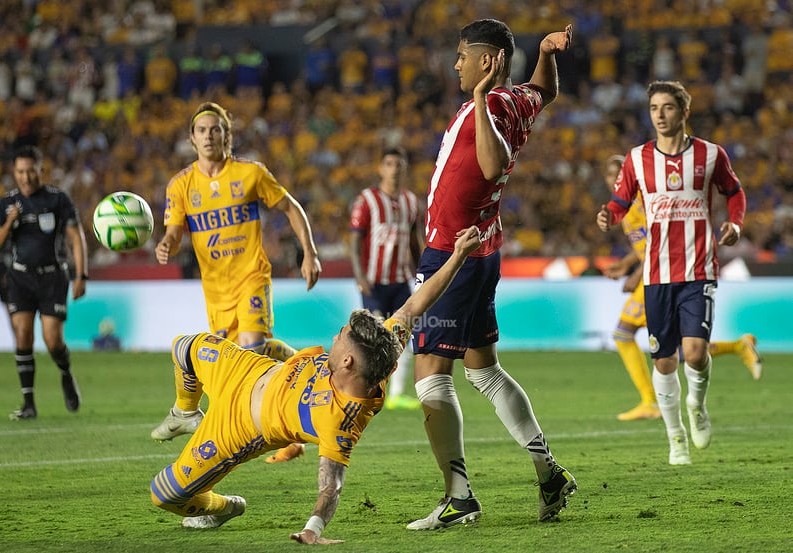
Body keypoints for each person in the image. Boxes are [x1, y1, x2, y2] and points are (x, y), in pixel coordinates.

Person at [149, 226, 483, 544]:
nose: (336, 337)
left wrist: (313, 528)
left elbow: (331, 486)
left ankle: (223, 508)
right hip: (248, 370)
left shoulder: (340, 420)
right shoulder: (382, 344)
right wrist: (458, 255)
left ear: (348, 362)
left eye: (341, 338)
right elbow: (416, 304)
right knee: (184, 347)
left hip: (238, 427)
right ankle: (185, 413)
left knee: (164, 494)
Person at [407, 19, 576, 530]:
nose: (456, 64)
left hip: (455, 257)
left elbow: (491, 162)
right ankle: (548, 472)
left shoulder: (493, 106)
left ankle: (458, 497)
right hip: (482, 248)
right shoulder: (518, 98)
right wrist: (547, 52)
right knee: (482, 370)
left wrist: (479, 100)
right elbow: (544, 90)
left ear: (487, 62)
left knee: (431, 378)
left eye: (463, 56)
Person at [152, 101, 322, 465]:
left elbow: (290, 207)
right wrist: (167, 243)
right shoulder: (180, 185)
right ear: (192, 139)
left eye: (216, 129)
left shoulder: (250, 173)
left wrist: (309, 252)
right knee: (239, 368)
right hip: (215, 292)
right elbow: (173, 232)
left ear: (227, 135)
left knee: (251, 350)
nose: (209, 136)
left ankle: (284, 422)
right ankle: (303, 368)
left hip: (251, 278)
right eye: (202, 130)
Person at [597, 81, 748, 465]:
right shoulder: (637, 159)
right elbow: (620, 201)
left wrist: (736, 224)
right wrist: (608, 216)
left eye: (667, 107)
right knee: (664, 361)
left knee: (694, 353)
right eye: (653, 108)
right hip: (657, 275)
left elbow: (735, 192)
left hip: (699, 269)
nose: (659, 115)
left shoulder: (711, 155)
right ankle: (674, 436)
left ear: (684, 112)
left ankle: (696, 406)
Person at [600, 155, 763, 422]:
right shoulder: (624, 207)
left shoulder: (643, 202)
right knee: (681, 350)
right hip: (653, 274)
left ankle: (650, 401)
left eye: (619, 174)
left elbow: (659, 241)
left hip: (662, 276)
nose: (615, 180)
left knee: (624, 333)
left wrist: (636, 275)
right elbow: (642, 245)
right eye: (610, 175)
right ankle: (738, 346)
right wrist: (625, 264)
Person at [0, 145, 87, 420]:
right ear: (14, 172)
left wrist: (81, 275)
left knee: (53, 340)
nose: (26, 177)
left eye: (30, 171)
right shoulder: (7, 204)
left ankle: (66, 373)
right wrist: (9, 224)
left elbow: (76, 237)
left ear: (40, 170)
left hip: (53, 275)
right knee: (22, 335)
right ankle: (29, 403)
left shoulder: (57, 199)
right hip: (20, 277)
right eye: (20, 171)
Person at [349, 146, 424, 410]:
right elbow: (355, 240)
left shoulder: (411, 202)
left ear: (404, 169)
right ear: (381, 168)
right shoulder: (366, 200)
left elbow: (416, 242)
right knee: (374, 338)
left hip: (401, 281)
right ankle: (365, 389)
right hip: (373, 281)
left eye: (398, 164)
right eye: (389, 163)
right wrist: (359, 276)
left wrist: (423, 273)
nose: (394, 169)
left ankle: (396, 394)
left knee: (403, 336)